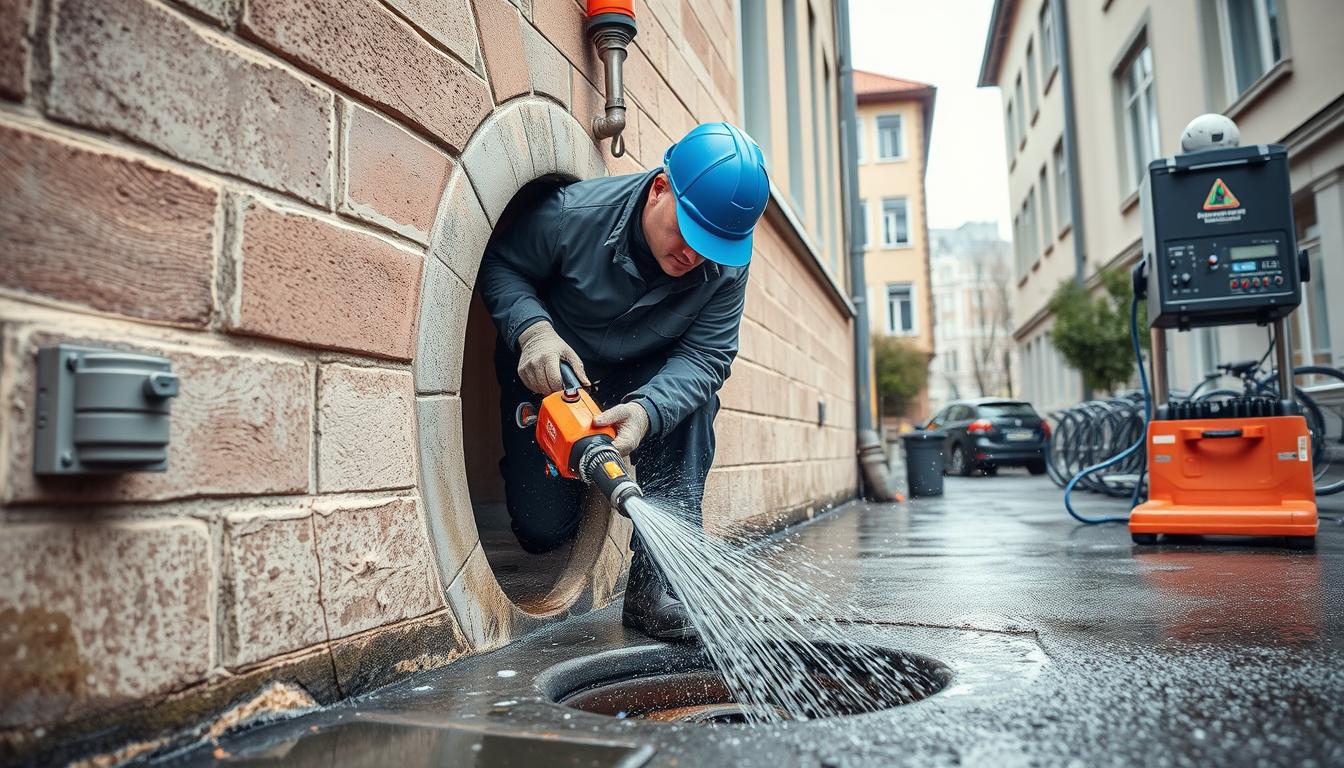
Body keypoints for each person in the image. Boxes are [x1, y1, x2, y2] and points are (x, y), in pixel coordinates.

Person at [478, 121, 769, 640]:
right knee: (543, 532)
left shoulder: (725, 269)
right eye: (688, 232)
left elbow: (707, 356)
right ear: (660, 187)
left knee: (693, 406)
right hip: (554, 380)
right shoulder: (571, 216)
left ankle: (656, 588)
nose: (694, 256)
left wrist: (649, 410)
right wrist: (533, 332)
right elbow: (501, 263)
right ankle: (535, 467)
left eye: (712, 246)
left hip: (637, 381)